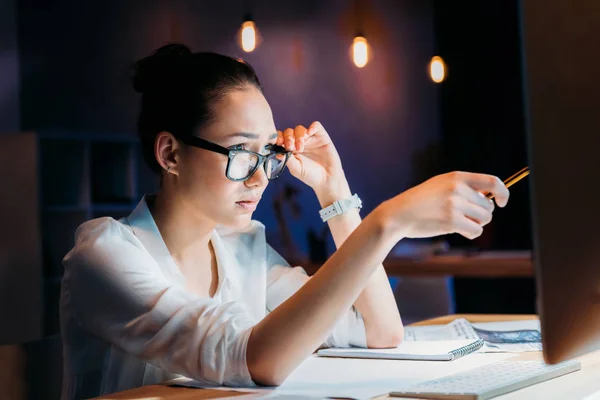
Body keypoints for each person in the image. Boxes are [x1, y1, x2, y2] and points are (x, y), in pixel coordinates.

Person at [59, 43, 510, 399]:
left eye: (268, 154)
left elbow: (381, 331)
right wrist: (387, 222)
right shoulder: (106, 254)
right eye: (240, 153)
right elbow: (257, 359)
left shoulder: (243, 249)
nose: (260, 177)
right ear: (171, 154)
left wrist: (335, 191)